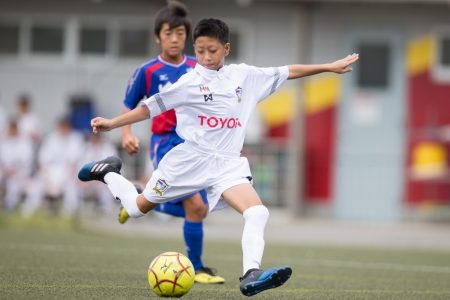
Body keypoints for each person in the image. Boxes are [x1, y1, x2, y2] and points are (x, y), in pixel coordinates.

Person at [78, 18, 359, 296]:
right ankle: (108, 172)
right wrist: (112, 124)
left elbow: (287, 71)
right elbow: (147, 109)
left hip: (227, 164)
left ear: (226, 48)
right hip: (188, 161)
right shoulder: (189, 82)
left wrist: (328, 67)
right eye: (199, 50)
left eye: (212, 50)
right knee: (138, 208)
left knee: (258, 212)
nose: (205, 57)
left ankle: (251, 274)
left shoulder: (244, 76)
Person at [119, 0, 224, 284]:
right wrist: (127, 134)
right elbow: (130, 106)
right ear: (158, 37)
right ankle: (199, 268)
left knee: (199, 208)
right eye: (169, 33)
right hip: (165, 143)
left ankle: (139, 197)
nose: (175, 39)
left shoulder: (197, 66)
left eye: (180, 33)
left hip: (195, 144)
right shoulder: (148, 71)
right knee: (195, 205)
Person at [22, 117, 84, 218]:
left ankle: (70, 211)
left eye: (66, 126)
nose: (63, 129)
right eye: (62, 126)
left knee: (71, 185)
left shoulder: (75, 139)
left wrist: (60, 184)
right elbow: (43, 162)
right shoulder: (50, 138)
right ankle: (30, 208)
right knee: (37, 184)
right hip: (50, 172)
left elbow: (73, 164)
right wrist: (48, 182)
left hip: (67, 172)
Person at [0, 119, 34, 212]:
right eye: (11, 127)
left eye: (14, 128)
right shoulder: (3, 141)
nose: (12, 130)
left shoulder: (25, 142)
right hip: (5, 170)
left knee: (13, 183)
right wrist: (5, 169)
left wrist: (14, 170)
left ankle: (10, 205)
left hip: (20, 171)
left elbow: (26, 160)